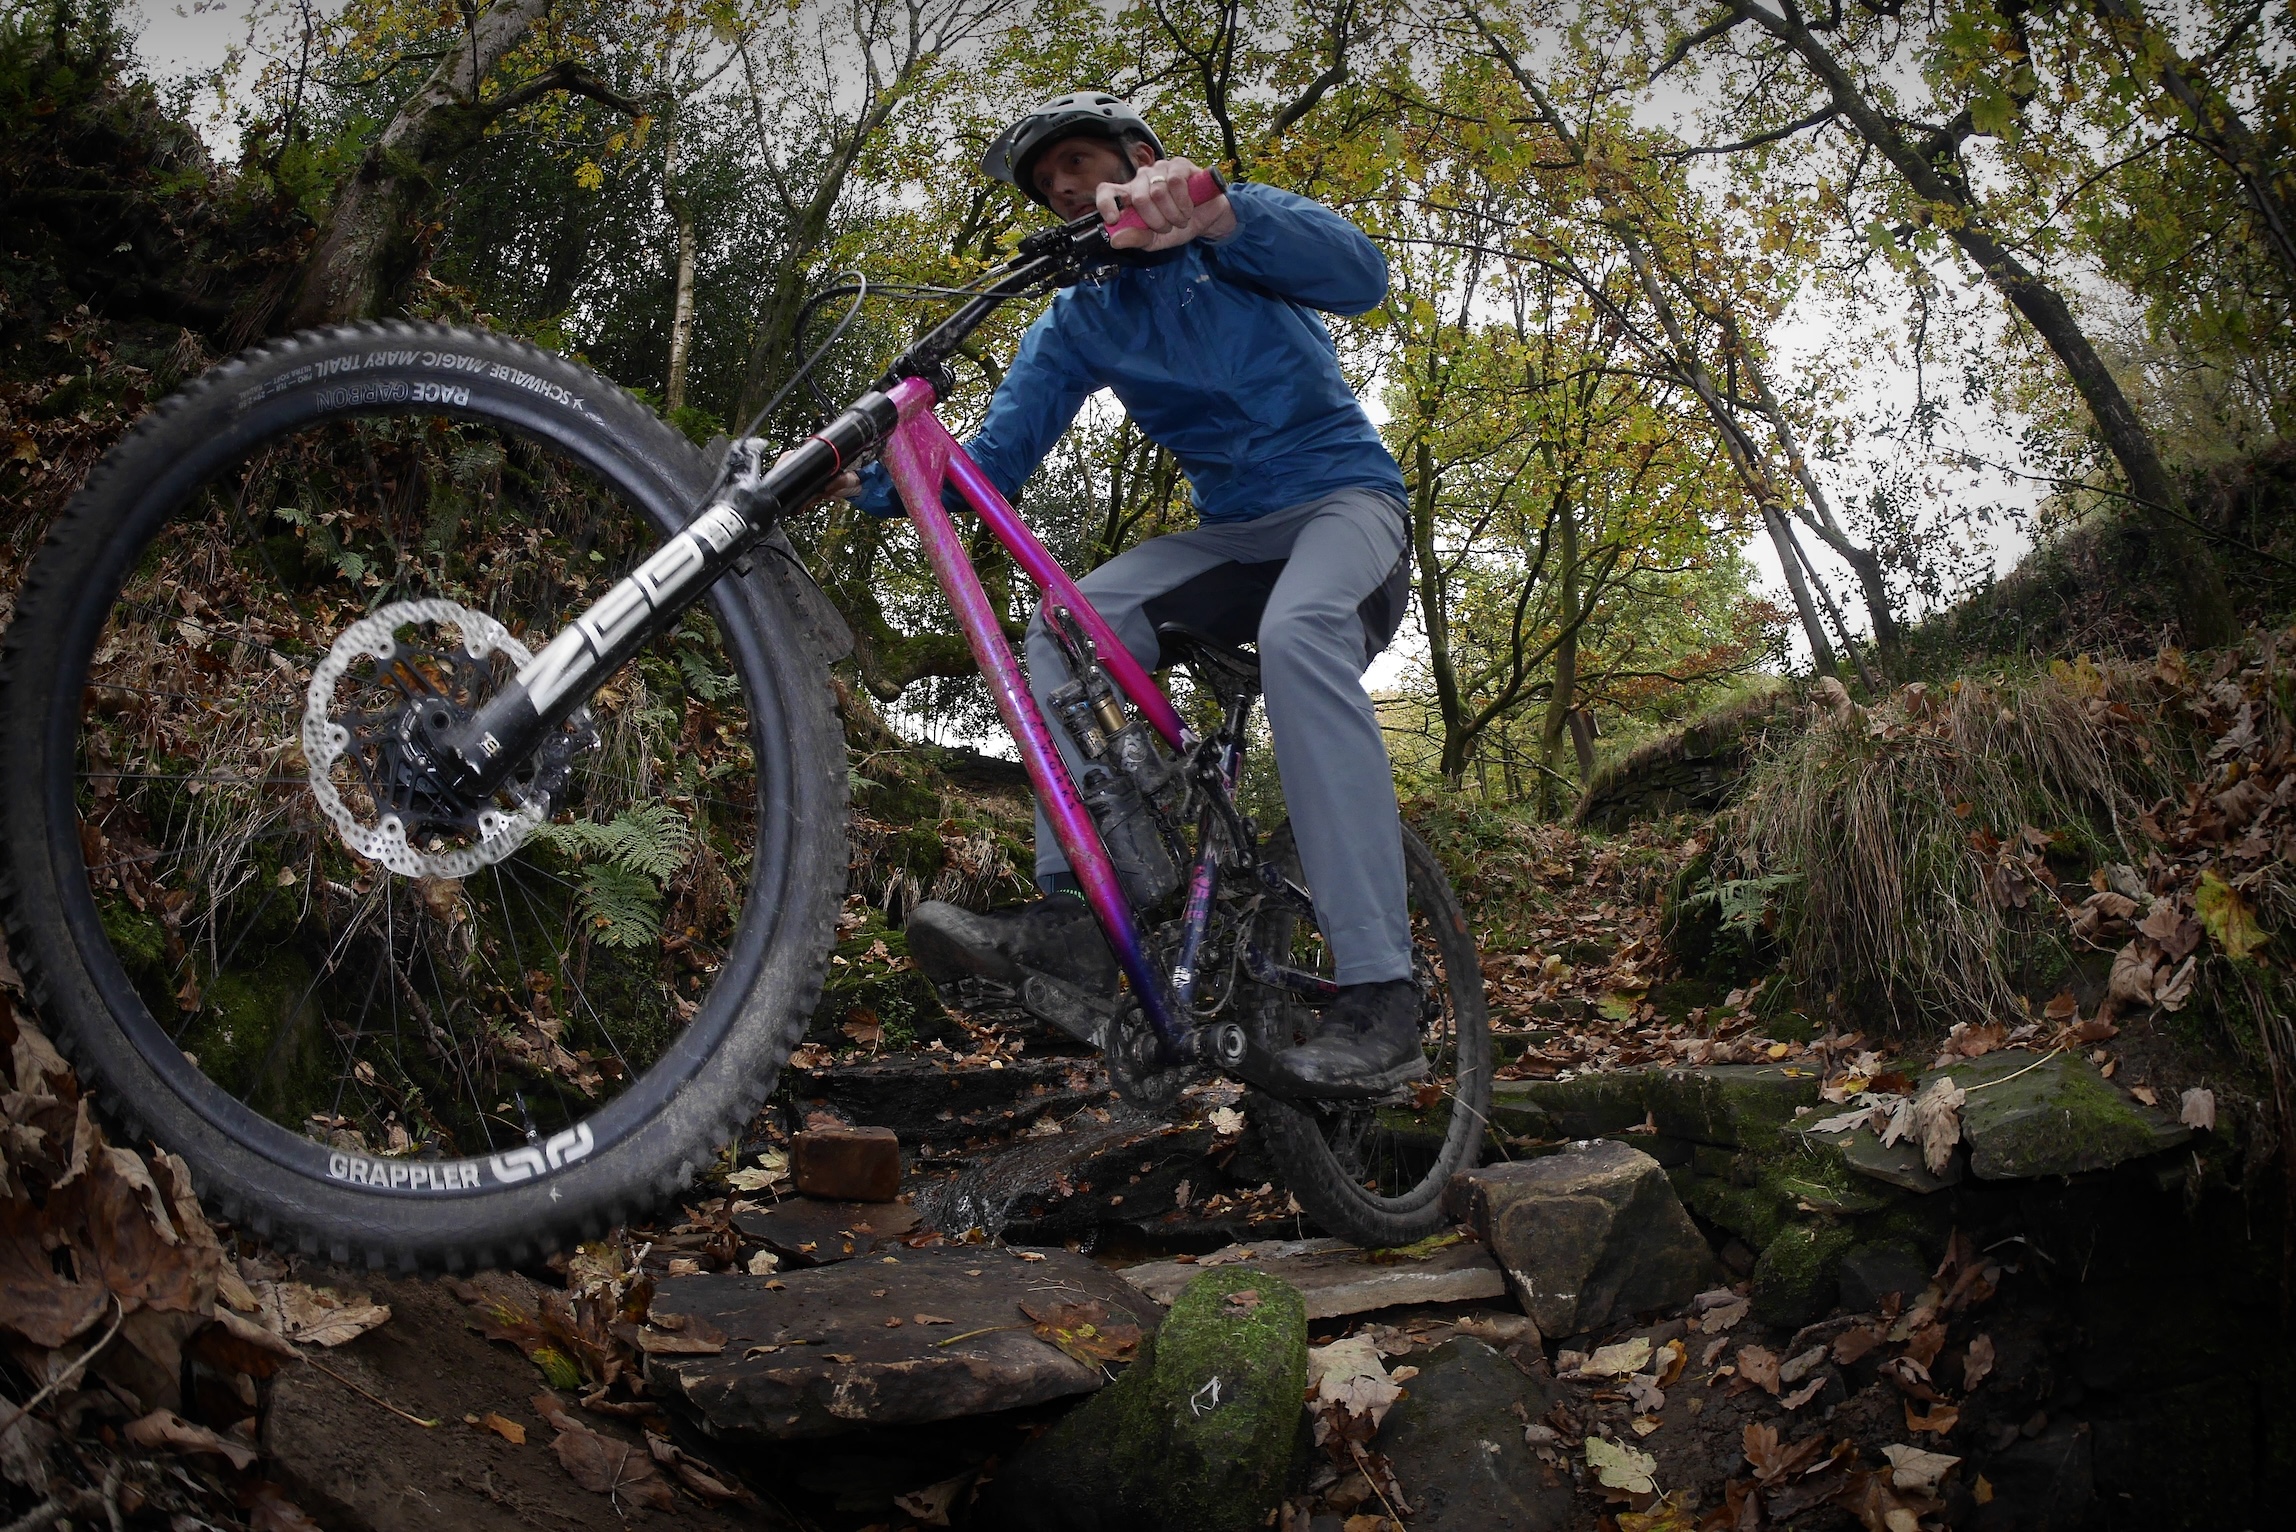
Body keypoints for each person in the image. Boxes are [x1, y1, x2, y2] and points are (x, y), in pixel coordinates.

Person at [841, 92, 1421, 1097]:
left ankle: (1381, 989)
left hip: (1345, 504)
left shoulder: (1229, 235)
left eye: (1074, 161)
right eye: (1044, 184)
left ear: (1137, 154)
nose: (1061, 187)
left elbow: (1359, 276)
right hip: (1232, 536)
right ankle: (1075, 915)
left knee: (1301, 633)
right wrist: (871, 479)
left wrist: (1219, 211)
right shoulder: (1079, 318)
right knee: (1063, 624)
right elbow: (995, 462)